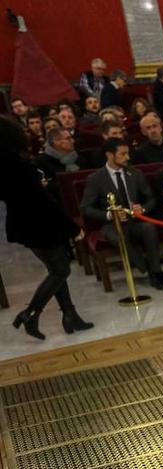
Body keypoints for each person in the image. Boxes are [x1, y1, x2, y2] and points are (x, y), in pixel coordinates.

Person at [2, 117, 93, 340]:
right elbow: (44, 202)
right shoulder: (19, 165)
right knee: (61, 270)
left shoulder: (4, 165)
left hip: (24, 224)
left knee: (55, 268)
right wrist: (72, 227)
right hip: (40, 224)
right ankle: (31, 313)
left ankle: (70, 315)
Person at [80, 138, 163, 289]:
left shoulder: (135, 173)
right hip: (111, 224)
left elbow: (151, 199)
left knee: (148, 228)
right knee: (118, 237)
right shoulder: (96, 179)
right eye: (123, 154)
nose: (128, 157)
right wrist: (110, 214)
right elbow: (86, 208)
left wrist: (142, 208)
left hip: (135, 220)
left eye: (128, 153)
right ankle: (149, 269)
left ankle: (155, 272)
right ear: (109, 155)